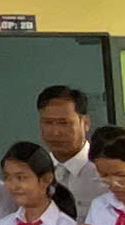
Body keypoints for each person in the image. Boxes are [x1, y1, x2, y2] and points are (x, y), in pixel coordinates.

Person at [38, 85, 104, 213]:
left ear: (86, 123)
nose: (55, 132)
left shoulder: (105, 173)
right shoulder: (35, 172)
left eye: (64, 123)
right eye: (48, 122)